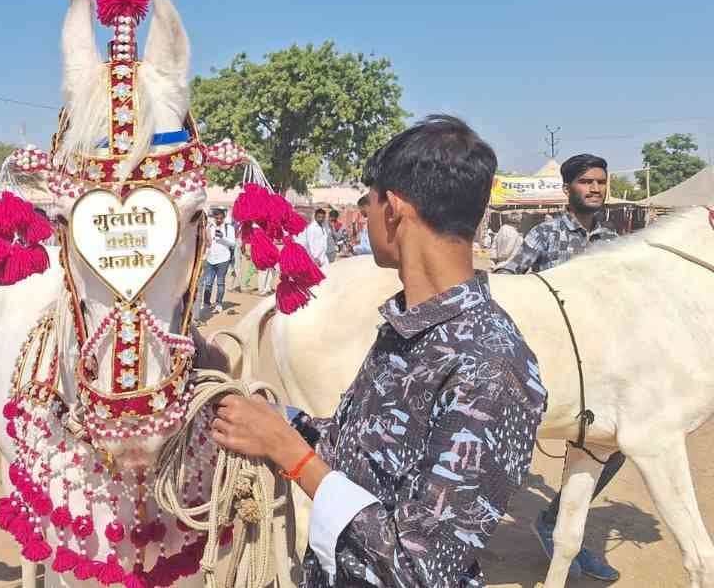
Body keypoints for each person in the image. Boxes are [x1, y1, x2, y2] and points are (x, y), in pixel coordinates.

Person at [210, 116, 545, 588]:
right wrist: (275, 419)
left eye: (367, 202)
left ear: (394, 208)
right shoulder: (409, 327)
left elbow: (417, 570)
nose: (365, 216)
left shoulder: (490, 366)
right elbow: (360, 452)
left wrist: (289, 453)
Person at [495, 153, 621, 581]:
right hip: (548, 367)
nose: (596, 189)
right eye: (586, 182)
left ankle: (556, 525)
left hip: (599, 370)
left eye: (601, 182)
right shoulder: (545, 235)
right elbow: (506, 282)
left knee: (611, 449)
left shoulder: (611, 241)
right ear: (568, 188)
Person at [201, 208, 235, 314]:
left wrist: (222, 237)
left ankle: (219, 304)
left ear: (224, 217)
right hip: (211, 258)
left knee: (220, 282)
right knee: (208, 283)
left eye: (221, 218)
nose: (219, 220)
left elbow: (233, 244)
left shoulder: (229, 228)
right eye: (217, 218)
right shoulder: (210, 227)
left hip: (223, 259)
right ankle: (206, 303)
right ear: (214, 218)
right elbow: (208, 242)